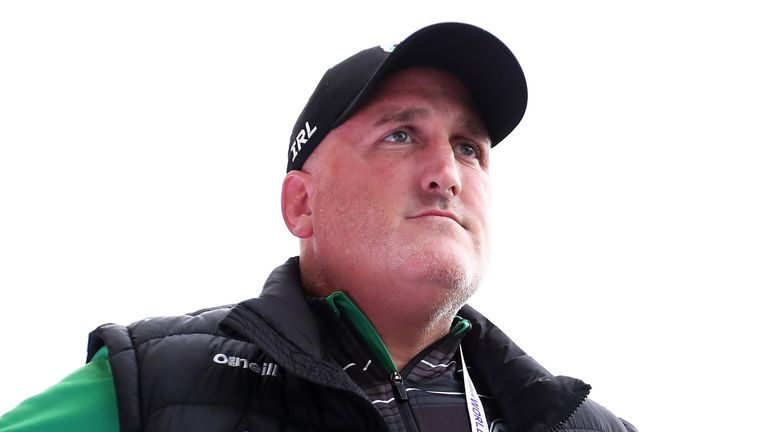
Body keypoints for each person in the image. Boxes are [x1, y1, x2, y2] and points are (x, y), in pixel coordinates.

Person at [0, 22, 636, 432]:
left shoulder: (589, 427)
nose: (446, 171)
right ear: (301, 206)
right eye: (399, 135)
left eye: (470, 147)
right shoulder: (151, 387)